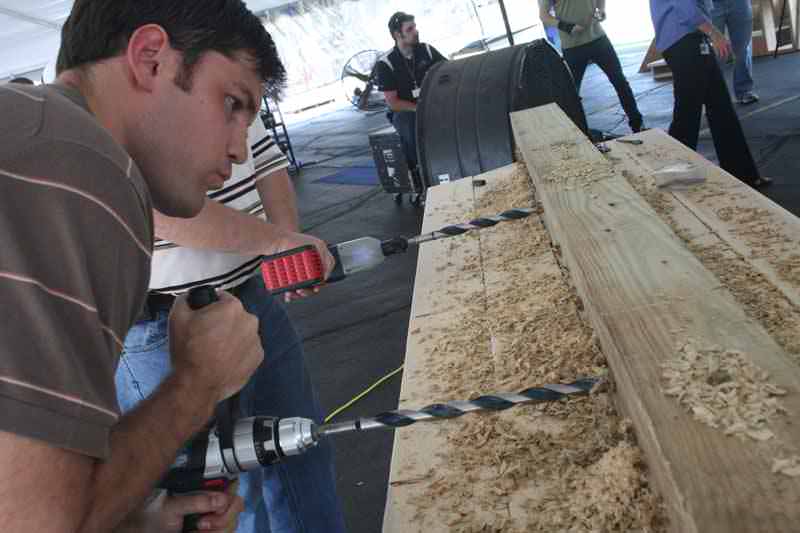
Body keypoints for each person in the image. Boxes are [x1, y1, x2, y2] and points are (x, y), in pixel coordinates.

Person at [0, 1, 295, 531]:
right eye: (231, 103)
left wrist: (132, 521)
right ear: (151, 58)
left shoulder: (32, 133)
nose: (239, 150)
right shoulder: (83, 166)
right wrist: (195, 386)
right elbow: (35, 522)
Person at [115, 115, 346, 533]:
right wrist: (275, 241)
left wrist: (286, 245)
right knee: (219, 496)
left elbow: (266, 161)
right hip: (165, 328)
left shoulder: (234, 82)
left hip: (250, 295)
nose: (236, 150)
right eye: (232, 101)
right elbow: (150, 207)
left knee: (303, 448)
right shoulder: (117, 110)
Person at [649, 0, 771, 187]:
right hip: (683, 41)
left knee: (721, 109)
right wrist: (714, 32)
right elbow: (685, 6)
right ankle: (673, 175)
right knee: (688, 114)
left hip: (693, 38)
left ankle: (743, 174)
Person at [539, 0, 644, 133]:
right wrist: (567, 26)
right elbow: (544, 15)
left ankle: (638, 125)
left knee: (620, 82)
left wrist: (601, 10)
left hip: (598, 39)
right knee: (571, 94)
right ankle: (575, 133)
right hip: (573, 47)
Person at [375, 12, 446, 176]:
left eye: (415, 27)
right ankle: (420, 171)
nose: (416, 31)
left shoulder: (426, 50)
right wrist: (419, 109)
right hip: (406, 110)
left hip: (433, 102)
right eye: (410, 29)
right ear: (397, 35)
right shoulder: (385, 63)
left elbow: (448, 71)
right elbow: (393, 102)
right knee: (408, 124)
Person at [711, 0, 759, 105]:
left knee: (743, 48)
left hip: (739, 3)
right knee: (714, 52)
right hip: (712, 3)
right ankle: (713, 97)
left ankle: (744, 91)